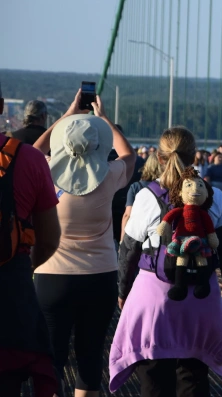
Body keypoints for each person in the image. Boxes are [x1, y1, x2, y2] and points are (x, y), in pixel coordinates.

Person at [112, 126, 222, 395]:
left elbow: (129, 250)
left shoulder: (146, 196)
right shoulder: (214, 197)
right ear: (195, 157)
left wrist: (123, 292)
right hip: (201, 298)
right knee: (193, 378)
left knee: (153, 379)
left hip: (153, 299)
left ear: (159, 158)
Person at [32, 91, 135, 397]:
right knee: (90, 360)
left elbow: (33, 150)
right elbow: (129, 156)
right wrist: (103, 118)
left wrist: (67, 114)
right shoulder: (110, 175)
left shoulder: (45, 170)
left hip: (52, 278)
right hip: (100, 277)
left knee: (51, 358)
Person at [0, 86, 62, 397]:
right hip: (11, 297)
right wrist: (22, 263)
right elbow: (50, 238)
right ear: (1, 106)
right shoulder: (29, 159)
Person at [120, 153, 162, 242]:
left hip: (137, 234)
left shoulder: (136, 187)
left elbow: (127, 215)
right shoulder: (165, 187)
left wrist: (122, 240)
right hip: (157, 234)